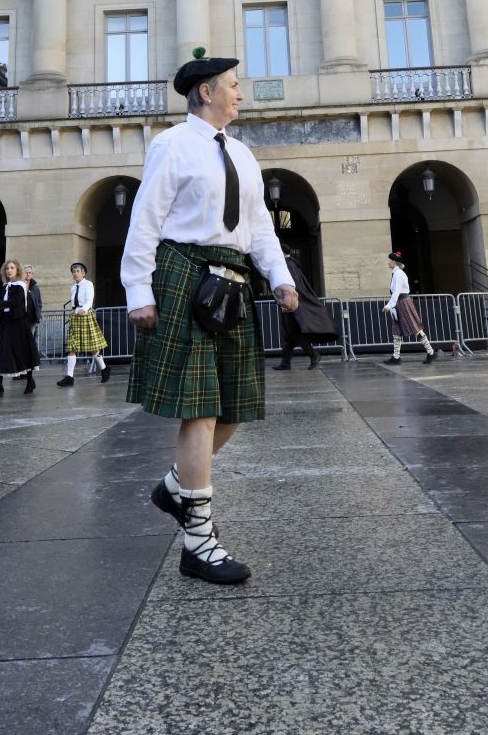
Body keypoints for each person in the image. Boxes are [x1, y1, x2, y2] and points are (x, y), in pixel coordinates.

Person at [121, 48, 298, 585]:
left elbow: (259, 226)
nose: (240, 92)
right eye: (233, 84)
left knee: (236, 406)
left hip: (233, 279)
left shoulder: (243, 154)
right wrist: (137, 290)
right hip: (183, 274)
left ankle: (177, 486)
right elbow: (146, 217)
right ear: (206, 92)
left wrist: (281, 277)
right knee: (199, 409)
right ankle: (198, 540)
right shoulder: (170, 145)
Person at [272, 251, 336, 370]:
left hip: (291, 305)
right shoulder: (288, 264)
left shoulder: (288, 265)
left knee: (292, 332)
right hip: (290, 304)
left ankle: (313, 354)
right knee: (288, 334)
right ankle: (286, 362)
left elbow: (293, 286)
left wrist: (287, 303)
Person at [0, 260, 39, 396]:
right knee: (1, 351)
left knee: (23, 352)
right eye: (7, 268)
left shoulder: (20, 286)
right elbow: (6, 304)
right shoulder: (5, 286)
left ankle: (29, 380)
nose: (9, 270)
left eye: (12, 268)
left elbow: (15, 302)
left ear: (17, 270)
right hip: (6, 323)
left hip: (19, 323)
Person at [57, 263, 109, 386]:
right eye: (73, 271)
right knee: (72, 346)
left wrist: (84, 309)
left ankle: (104, 368)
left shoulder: (88, 284)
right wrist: (75, 312)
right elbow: (74, 304)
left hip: (85, 316)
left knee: (93, 347)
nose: (75, 273)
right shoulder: (73, 288)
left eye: (77, 271)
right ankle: (69, 377)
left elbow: (89, 300)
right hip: (75, 316)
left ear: (83, 273)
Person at [381, 251, 436, 365]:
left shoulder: (399, 274)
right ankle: (396, 357)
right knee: (396, 330)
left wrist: (389, 305)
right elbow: (395, 293)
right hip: (399, 303)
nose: (389, 262)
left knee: (415, 328)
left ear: (394, 262)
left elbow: (396, 292)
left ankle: (430, 352)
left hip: (403, 302)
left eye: (390, 260)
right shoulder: (396, 273)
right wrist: (392, 305)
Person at [23, 264, 42, 354]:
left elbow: (39, 303)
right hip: (22, 318)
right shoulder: (19, 286)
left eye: (30, 273)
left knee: (32, 340)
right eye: (26, 273)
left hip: (32, 319)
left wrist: (38, 314)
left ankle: (32, 360)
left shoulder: (35, 288)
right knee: (23, 339)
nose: (28, 274)